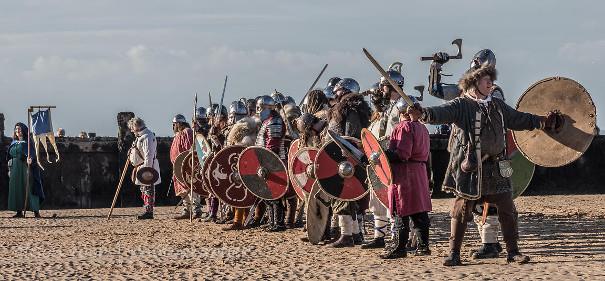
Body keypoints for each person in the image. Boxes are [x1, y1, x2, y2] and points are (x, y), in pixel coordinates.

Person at [411, 63, 562, 266]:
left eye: (491, 80)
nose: (491, 83)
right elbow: (441, 112)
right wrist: (424, 113)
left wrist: (543, 121)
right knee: (461, 211)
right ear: (474, 83)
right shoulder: (461, 105)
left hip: (497, 167)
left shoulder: (497, 106)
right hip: (472, 168)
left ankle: (513, 252)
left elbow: (519, 119)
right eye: (486, 80)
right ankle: (454, 253)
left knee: (508, 210)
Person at [430, 49, 505, 259]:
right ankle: (488, 243)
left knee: (486, 200)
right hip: (463, 153)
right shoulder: (465, 91)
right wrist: (436, 66)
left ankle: (490, 243)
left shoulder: (494, 92)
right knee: (468, 202)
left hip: (485, 154)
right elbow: (436, 91)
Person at [378, 97, 432, 259]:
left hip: (405, 173)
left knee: (402, 212)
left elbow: (402, 154)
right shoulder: (422, 128)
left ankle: (400, 248)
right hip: (420, 172)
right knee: (419, 212)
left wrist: (382, 154)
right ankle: (423, 246)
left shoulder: (404, 126)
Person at [363, 64, 405, 250]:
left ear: (395, 86)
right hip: (380, 158)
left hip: (395, 157)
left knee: (393, 200)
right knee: (377, 199)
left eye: (384, 86)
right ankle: (379, 236)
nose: (381, 90)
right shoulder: (387, 109)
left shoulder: (403, 105)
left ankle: (397, 237)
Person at [326, 78, 371, 247]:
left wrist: (346, 153)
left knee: (343, 195)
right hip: (340, 156)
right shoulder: (345, 108)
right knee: (347, 197)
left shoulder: (350, 108)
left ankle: (347, 236)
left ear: (344, 91)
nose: (335, 94)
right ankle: (355, 233)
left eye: (337, 91)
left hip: (345, 158)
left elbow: (351, 135)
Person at [255, 95, 287, 232]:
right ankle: (272, 221)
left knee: (276, 194)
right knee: (268, 194)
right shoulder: (268, 121)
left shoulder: (274, 121)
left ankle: (279, 223)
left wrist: (267, 161)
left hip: (274, 160)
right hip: (267, 160)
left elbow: (272, 144)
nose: (258, 111)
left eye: (260, 108)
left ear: (266, 108)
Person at [7, 123, 44, 218]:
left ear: (23, 130)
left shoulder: (27, 142)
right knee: (17, 189)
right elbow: (9, 156)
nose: (17, 131)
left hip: (25, 167)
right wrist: (9, 168)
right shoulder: (13, 143)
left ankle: (36, 211)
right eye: (16, 129)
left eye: (19, 129)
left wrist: (30, 158)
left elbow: (31, 153)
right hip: (14, 168)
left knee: (29, 187)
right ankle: (19, 211)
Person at [170, 114, 203, 219]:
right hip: (178, 166)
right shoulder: (178, 134)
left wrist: (189, 163)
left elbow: (190, 149)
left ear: (179, 123)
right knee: (183, 190)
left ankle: (196, 209)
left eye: (174, 124)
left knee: (190, 187)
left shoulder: (188, 132)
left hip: (186, 165)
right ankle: (187, 210)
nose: (173, 126)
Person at [127, 117, 161, 220]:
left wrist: (147, 170)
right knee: (144, 190)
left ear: (135, 126)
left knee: (148, 190)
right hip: (142, 166)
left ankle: (149, 211)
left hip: (147, 166)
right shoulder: (141, 136)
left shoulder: (147, 136)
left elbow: (149, 155)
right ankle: (147, 209)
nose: (132, 130)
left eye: (132, 128)